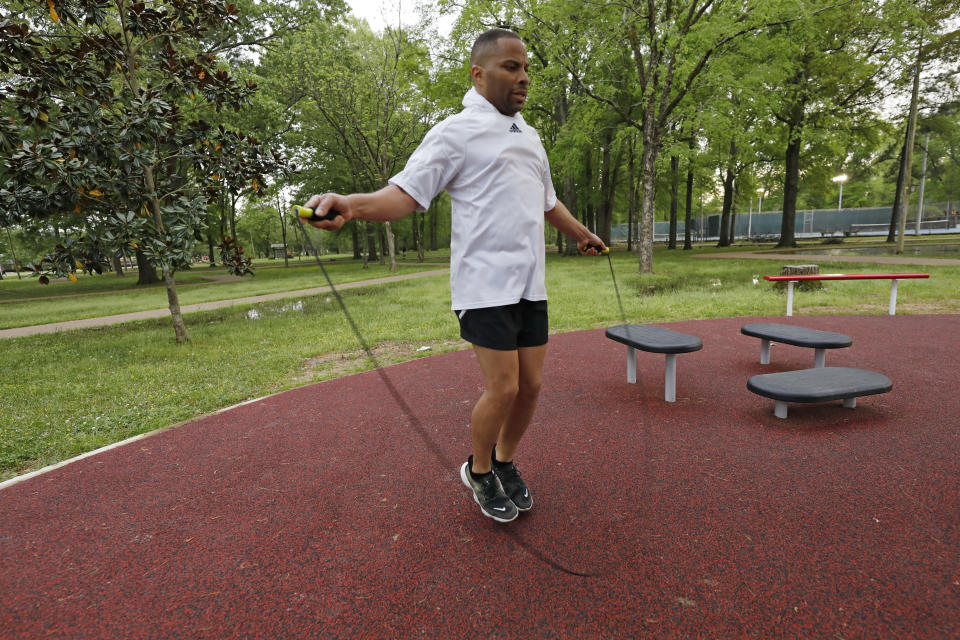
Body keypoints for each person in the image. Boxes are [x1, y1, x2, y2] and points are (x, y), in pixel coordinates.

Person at [302, 28, 605, 523]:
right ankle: (479, 470)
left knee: (531, 387)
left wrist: (581, 233)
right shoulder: (453, 133)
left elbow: (547, 201)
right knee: (503, 387)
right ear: (479, 74)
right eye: (511, 67)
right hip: (483, 286)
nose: (524, 77)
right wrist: (351, 206)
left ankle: (505, 462)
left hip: (531, 284)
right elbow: (404, 195)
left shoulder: (529, 137)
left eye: (527, 68)